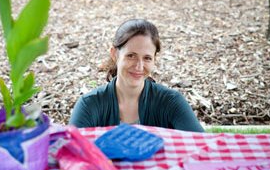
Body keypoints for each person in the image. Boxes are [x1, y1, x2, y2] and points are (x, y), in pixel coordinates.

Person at [69, 19, 204, 132]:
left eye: (147, 58)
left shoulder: (171, 102)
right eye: (131, 56)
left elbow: (202, 147)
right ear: (114, 54)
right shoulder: (89, 105)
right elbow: (68, 154)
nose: (139, 66)